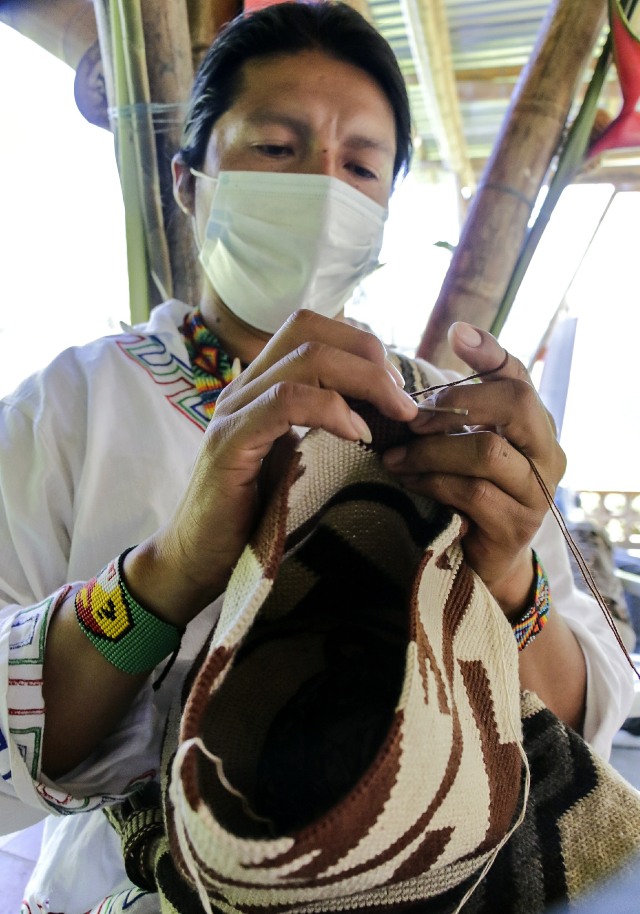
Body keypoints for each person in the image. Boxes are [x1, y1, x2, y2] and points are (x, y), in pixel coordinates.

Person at [0, 3, 634, 912]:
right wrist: (166, 578)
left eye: (361, 165)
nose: (322, 186)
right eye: (276, 147)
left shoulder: (448, 419)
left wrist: (511, 587)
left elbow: (590, 723)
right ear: (189, 181)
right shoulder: (67, 406)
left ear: (382, 208)